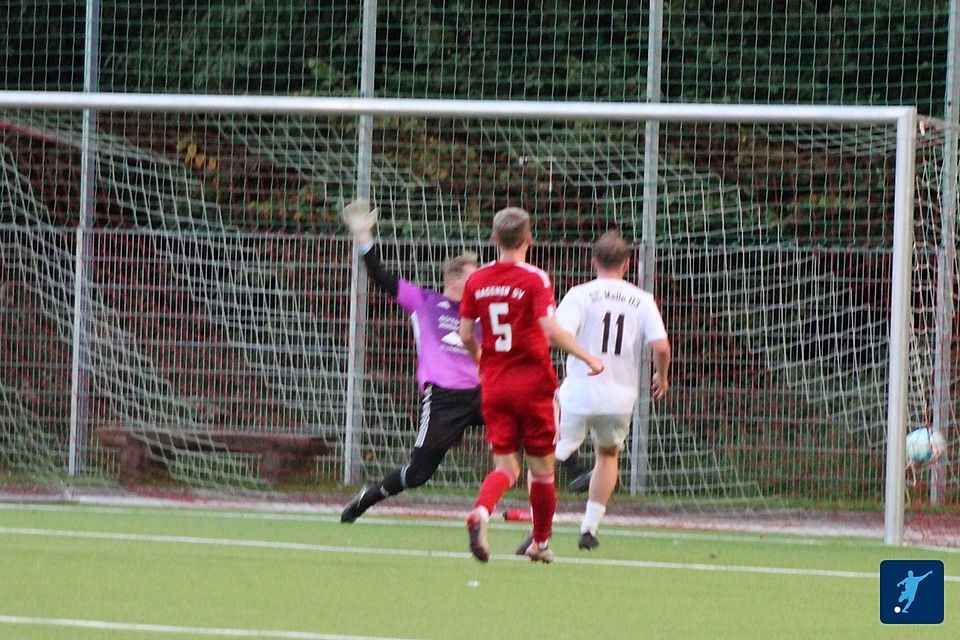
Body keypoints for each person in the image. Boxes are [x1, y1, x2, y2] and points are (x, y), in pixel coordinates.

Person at [458, 206, 604, 563]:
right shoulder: (535, 279)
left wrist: (483, 362)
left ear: (494, 238)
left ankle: (481, 512)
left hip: (495, 383)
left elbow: (465, 335)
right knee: (542, 471)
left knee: (505, 467)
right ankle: (540, 543)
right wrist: (587, 357)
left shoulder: (476, 280)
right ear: (528, 239)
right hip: (533, 384)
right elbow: (550, 331)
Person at [519, 230, 670, 552]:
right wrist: (661, 375)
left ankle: (538, 529)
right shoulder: (641, 299)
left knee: (544, 459)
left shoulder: (580, 294)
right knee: (608, 453)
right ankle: (589, 527)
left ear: (593, 261)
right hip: (620, 396)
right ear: (627, 264)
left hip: (580, 391)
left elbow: (556, 334)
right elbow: (661, 345)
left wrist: (582, 357)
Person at [339, 199, 484, 523]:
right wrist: (364, 239)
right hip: (444, 398)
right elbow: (380, 275)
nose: (479, 285)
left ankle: (543, 516)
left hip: (483, 393)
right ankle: (368, 497)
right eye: (473, 278)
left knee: (531, 429)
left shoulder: (483, 315)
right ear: (455, 279)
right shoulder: (425, 301)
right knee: (419, 473)